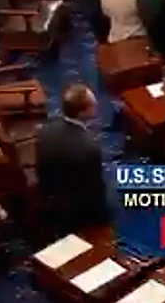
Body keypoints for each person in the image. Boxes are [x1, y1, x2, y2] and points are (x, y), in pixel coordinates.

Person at [36, 84, 108, 234]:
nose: (97, 106)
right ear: (83, 112)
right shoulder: (89, 147)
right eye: (93, 105)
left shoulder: (45, 129)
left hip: (49, 195)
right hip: (78, 210)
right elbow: (95, 190)